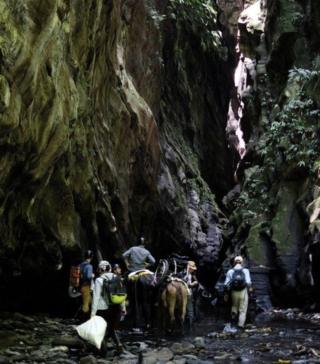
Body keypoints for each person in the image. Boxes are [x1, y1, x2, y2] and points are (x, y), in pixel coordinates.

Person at [91, 260, 126, 354]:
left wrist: (93, 314)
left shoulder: (99, 280)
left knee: (103, 329)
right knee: (111, 328)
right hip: (116, 307)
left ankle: (103, 348)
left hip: (103, 309)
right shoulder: (117, 277)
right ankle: (118, 344)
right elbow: (121, 294)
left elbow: (96, 298)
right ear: (110, 268)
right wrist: (123, 308)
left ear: (100, 269)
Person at [224, 255, 252, 329]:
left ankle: (233, 324)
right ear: (242, 262)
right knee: (242, 309)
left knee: (234, 306)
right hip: (243, 291)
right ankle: (240, 326)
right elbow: (248, 282)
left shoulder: (230, 271)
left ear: (234, 262)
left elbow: (226, 284)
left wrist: (226, 294)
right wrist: (250, 289)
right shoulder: (246, 270)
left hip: (234, 291)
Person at [183, 260, 198, 328]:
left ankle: (190, 323)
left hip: (188, 291)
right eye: (192, 269)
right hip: (186, 291)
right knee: (190, 308)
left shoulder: (191, 274)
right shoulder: (184, 273)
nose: (193, 270)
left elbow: (196, 281)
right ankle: (189, 323)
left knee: (189, 308)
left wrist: (194, 283)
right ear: (189, 267)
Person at [79, 250, 94, 320]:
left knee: (90, 302)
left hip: (80, 286)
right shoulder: (89, 266)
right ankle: (83, 321)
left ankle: (87, 319)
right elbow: (88, 276)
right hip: (86, 286)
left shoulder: (80, 265)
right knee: (86, 305)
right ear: (91, 257)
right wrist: (92, 276)